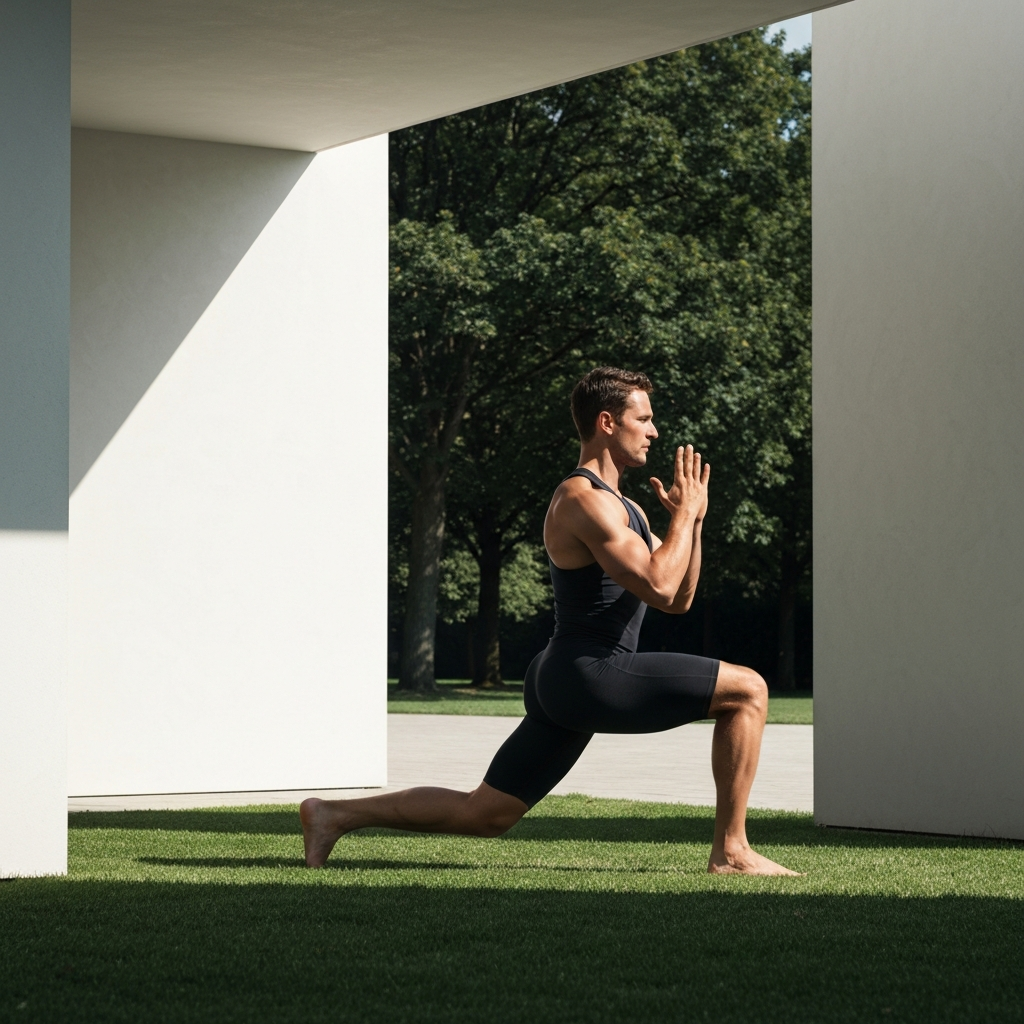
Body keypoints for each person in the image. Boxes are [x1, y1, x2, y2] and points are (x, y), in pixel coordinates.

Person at [302, 367, 798, 875]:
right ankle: (732, 850)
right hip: (587, 671)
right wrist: (680, 520)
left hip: (566, 676)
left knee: (487, 813)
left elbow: (678, 599)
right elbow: (660, 583)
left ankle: (333, 816)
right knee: (750, 691)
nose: (654, 431)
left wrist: (692, 522)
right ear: (607, 422)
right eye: (643, 419)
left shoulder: (625, 506)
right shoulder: (582, 499)